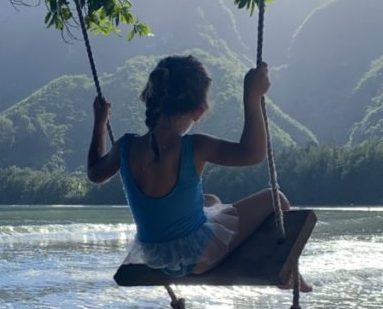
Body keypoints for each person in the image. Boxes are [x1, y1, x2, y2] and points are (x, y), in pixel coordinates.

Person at [87, 54, 311, 290]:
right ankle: (289, 272)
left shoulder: (125, 146)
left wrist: (99, 123)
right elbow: (252, 153)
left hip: (153, 255)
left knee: (211, 200)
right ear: (198, 110)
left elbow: (95, 173)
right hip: (196, 257)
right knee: (275, 198)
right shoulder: (194, 147)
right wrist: (252, 97)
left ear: (149, 99)